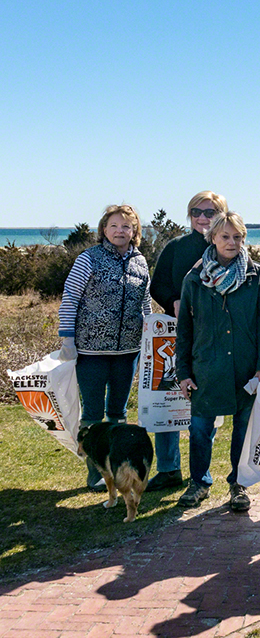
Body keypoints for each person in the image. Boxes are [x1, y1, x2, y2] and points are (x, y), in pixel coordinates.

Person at [174, 211, 260, 512]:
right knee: (200, 429)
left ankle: (239, 483)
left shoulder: (257, 277)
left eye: (237, 237)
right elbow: (184, 330)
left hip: (246, 369)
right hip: (205, 367)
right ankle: (199, 483)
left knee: (243, 430)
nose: (231, 242)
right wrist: (182, 372)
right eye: (225, 236)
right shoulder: (195, 279)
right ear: (213, 238)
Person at [58, 204, 152, 489]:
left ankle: (116, 466)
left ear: (134, 231)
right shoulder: (89, 258)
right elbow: (70, 297)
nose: (119, 231)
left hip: (128, 352)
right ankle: (95, 470)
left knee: (118, 413)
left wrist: (150, 335)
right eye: (114, 225)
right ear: (103, 229)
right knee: (92, 414)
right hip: (91, 351)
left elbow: (145, 302)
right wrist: (67, 338)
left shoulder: (140, 262)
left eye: (126, 226)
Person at [147, 190, 229, 492]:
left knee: (206, 406)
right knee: (167, 402)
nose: (203, 218)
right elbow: (157, 285)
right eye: (197, 211)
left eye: (210, 212)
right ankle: (169, 468)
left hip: (213, 339)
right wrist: (175, 299)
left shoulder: (227, 245)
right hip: (174, 337)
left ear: (222, 213)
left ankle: (201, 472)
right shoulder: (176, 246)